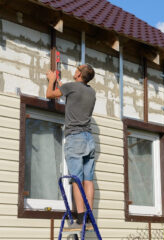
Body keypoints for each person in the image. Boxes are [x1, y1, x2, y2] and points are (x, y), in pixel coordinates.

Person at [46, 64, 96, 226]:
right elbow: (71, 94)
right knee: (88, 179)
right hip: (89, 138)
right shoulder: (91, 92)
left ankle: (80, 215)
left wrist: (52, 80)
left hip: (75, 138)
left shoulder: (71, 87)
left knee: (76, 179)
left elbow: (49, 94)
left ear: (79, 74)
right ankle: (88, 214)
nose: (75, 70)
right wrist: (62, 86)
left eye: (77, 69)